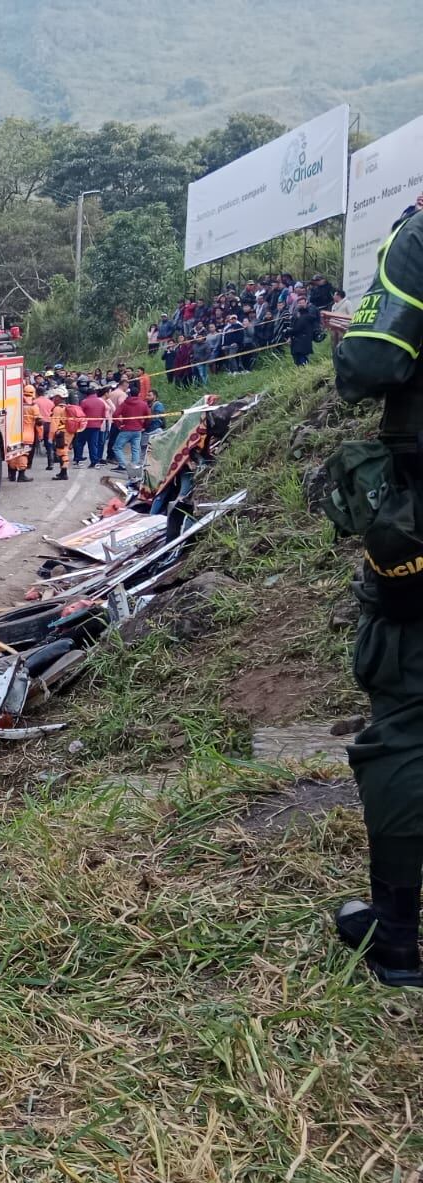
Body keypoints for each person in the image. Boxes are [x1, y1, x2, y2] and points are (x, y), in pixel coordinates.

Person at [328, 194, 423, 987]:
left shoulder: (419, 236)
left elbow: (371, 362)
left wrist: (351, 332)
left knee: (404, 718)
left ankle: (396, 936)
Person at [110, 388, 150, 475]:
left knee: (117, 447)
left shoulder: (125, 404)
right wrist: (144, 426)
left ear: (129, 394)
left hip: (126, 429)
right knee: (135, 449)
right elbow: (148, 416)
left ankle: (123, 465)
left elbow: (115, 414)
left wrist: (119, 425)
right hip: (138, 430)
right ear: (138, 394)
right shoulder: (143, 404)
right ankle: (134, 466)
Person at [9, 387, 38, 482]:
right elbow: (39, 422)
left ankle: (12, 475)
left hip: (13, 434)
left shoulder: (16, 403)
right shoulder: (33, 406)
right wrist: (40, 434)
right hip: (28, 434)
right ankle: (21, 475)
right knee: (24, 454)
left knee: (13, 453)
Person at [78, 383, 109, 467]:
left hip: (85, 426)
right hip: (96, 426)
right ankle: (94, 461)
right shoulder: (101, 402)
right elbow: (103, 415)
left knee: (80, 442)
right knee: (93, 444)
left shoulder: (84, 402)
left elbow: (80, 414)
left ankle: (78, 459)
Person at [46, 386, 72, 480]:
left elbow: (54, 424)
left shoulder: (57, 409)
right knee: (63, 451)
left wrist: (50, 437)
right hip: (68, 432)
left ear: (58, 397)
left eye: (54, 397)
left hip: (61, 433)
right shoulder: (67, 407)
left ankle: (64, 473)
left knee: (62, 452)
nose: (53, 399)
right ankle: (62, 472)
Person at [290, 299, 321, 366]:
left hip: (301, 341)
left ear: (306, 303)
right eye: (299, 303)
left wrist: (289, 331)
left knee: (302, 361)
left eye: (302, 303)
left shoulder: (306, 315)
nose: (301, 304)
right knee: (299, 359)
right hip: (300, 341)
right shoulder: (298, 315)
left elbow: (297, 328)